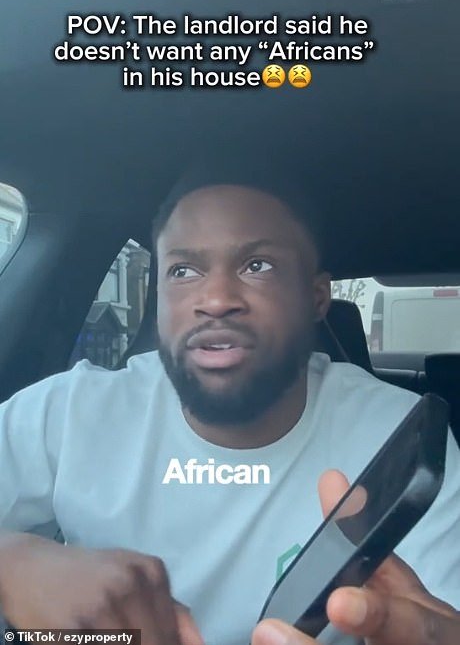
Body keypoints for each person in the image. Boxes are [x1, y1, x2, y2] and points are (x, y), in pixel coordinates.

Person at [0, 168, 459, 645]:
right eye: (183, 271)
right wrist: (13, 562)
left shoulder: (396, 434)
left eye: (258, 265)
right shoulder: (71, 411)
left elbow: (440, 613)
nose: (216, 300)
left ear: (316, 298)